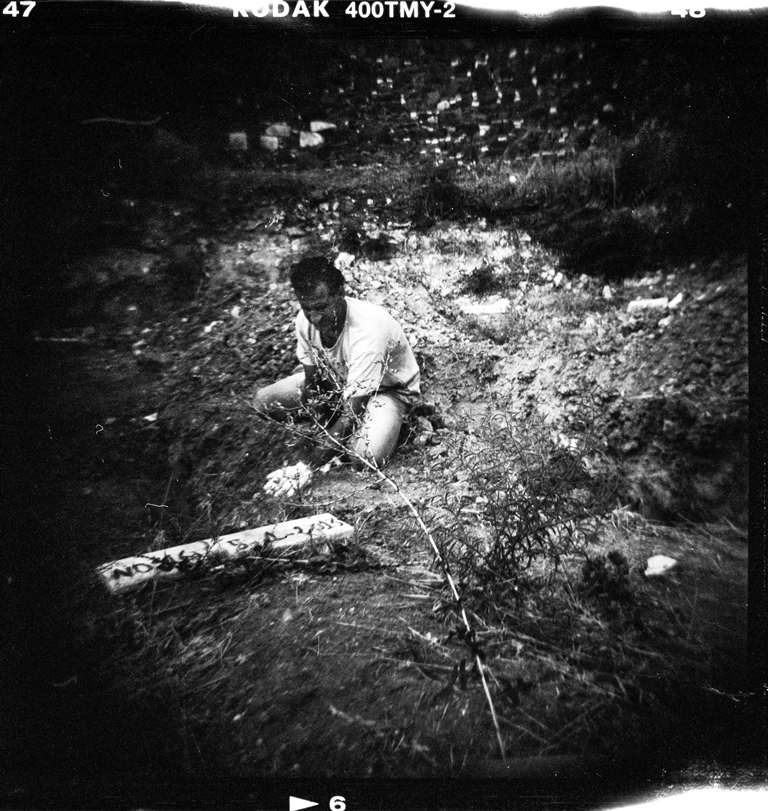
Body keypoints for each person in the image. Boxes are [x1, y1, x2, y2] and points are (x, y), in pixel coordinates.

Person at [254, 256, 420, 495]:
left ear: (340, 293)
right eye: (307, 308)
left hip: (386, 390)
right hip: (340, 381)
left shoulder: (367, 332)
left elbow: (352, 413)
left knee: (366, 456)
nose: (315, 318)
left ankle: (393, 424)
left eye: (321, 308)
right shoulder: (306, 320)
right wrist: (325, 425)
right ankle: (341, 435)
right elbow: (313, 380)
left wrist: (307, 466)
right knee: (263, 401)